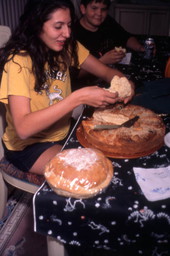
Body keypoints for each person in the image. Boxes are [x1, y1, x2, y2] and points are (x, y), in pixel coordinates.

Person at [0, 0, 134, 175]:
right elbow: (23, 128)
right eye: (58, 26)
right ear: (36, 25)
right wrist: (77, 98)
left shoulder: (68, 47)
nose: (67, 33)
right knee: (93, 171)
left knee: (118, 150)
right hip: (28, 147)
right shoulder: (18, 61)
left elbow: (106, 71)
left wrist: (125, 83)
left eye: (69, 25)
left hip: (63, 132)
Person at [74, 0, 145, 65]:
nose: (99, 13)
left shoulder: (108, 21)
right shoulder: (73, 34)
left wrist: (140, 48)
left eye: (103, 9)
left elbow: (126, 37)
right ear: (83, 9)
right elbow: (75, 74)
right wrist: (102, 61)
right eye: (94, 8)